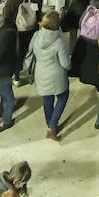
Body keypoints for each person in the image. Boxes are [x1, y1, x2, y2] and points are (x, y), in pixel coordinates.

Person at [25, 10, 71, 141]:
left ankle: (50, 124)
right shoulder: (58, 42)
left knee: (47, 99)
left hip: (41, 73)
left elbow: (31, 51)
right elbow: (66, 64)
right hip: (57, 77)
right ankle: (52, 126)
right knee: (63, 97)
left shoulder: (36, 35)